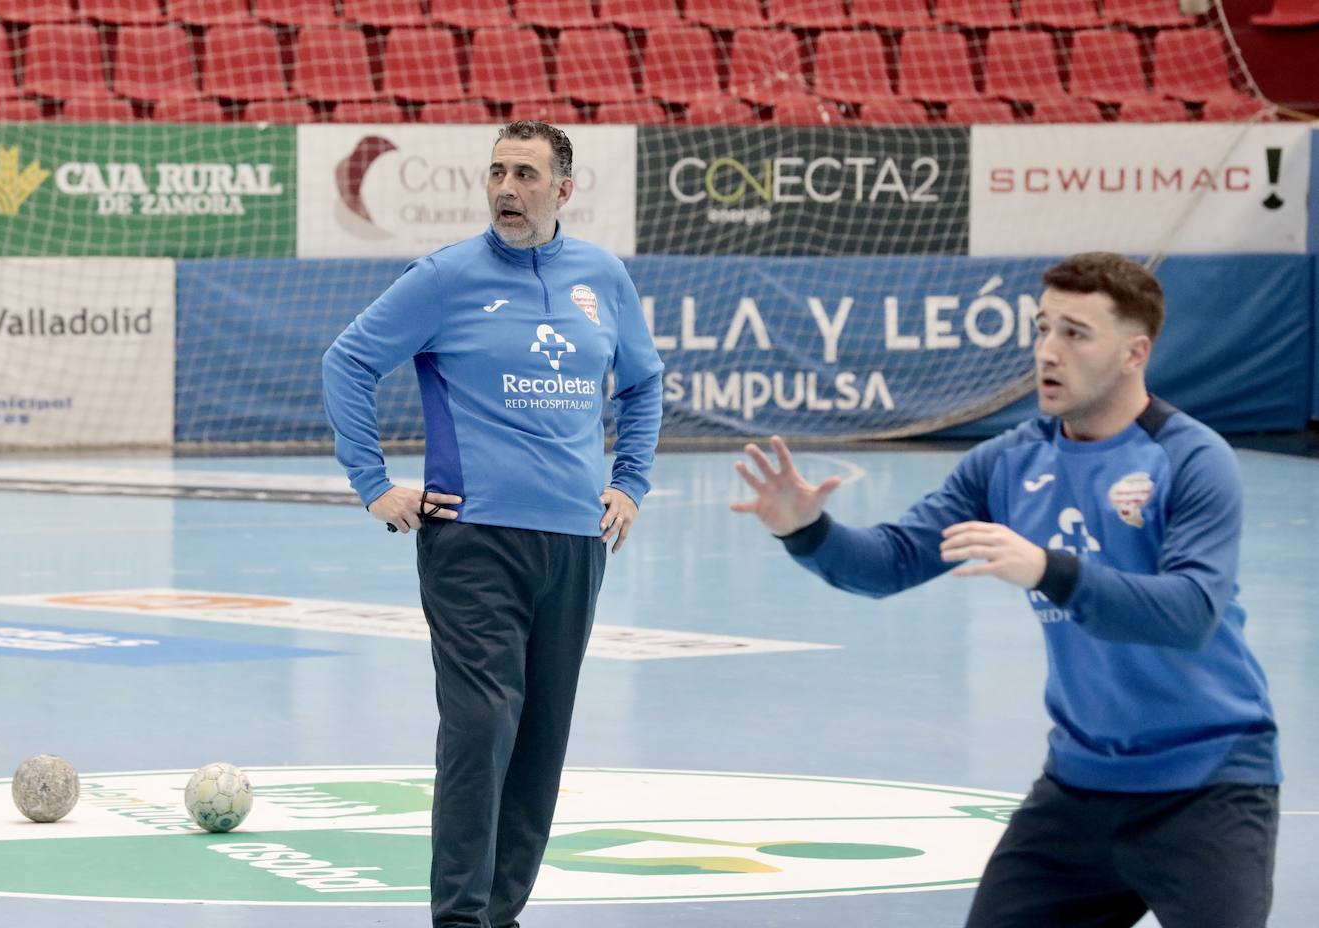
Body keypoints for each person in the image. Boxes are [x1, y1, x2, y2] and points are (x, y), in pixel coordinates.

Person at [731, 252, 1280, 928]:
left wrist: (1049, 569)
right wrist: (809, 531)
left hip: (1208, 786)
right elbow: (893, 560)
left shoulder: (1191, 459)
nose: (1048, 350)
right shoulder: (1011, 461)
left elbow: (1191, 613)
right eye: (1042, 327)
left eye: (1075, 333)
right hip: (1079, 787)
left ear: (1135, 351)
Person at [322, 120, 664, 928]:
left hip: (578, 545)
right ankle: (460, 918)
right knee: (481, 730)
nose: (508, 188)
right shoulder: (445, 277)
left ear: (563, 190)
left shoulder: (601, 276)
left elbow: (643, 385)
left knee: (541, 743)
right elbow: (348, 361)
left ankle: (498, 914)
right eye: (498, 172)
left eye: (527, 175)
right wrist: (374, 485)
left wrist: (632, 482)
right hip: (472, 542)